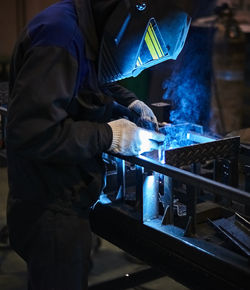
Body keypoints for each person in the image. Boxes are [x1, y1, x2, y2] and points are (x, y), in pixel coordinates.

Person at [6, 0, 191, 289]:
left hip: (66, 192)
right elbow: (31, 132)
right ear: (131, 16)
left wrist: (131, 104)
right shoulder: (60, 36)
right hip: (48, 205)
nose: (138, 64)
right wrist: (110, 135)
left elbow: (89, 78)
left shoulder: (87, 26)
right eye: (145, 50)